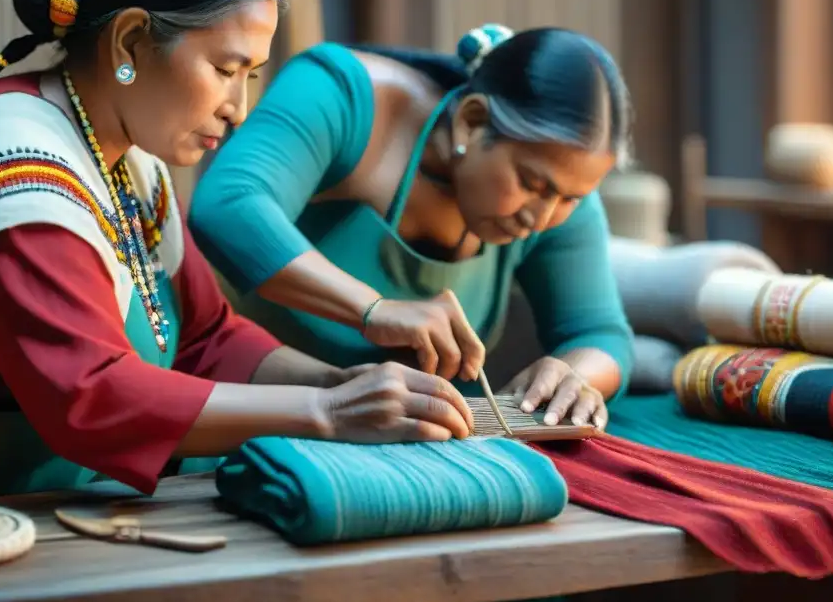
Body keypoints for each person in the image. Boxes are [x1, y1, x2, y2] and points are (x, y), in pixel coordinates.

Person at [0, 0, 474, 499]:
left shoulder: (130, 157)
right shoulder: (8, 163)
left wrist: (342, 380)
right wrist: (327, 410)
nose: (238, 108)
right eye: (225, 69)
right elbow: (91, 396)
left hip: (68, 499)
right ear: (130, 40)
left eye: (250, 77)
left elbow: (208, 339)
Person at [189, 23, 636, 429]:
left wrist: (576, 373)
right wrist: (374, 309)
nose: (541, 217)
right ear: (472, 122)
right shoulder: (345, 95)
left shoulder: (554, 183)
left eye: (571, 198)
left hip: (406, 448)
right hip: (242, 421)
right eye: (530, 183)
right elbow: (228, 204)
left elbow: (599, 331)